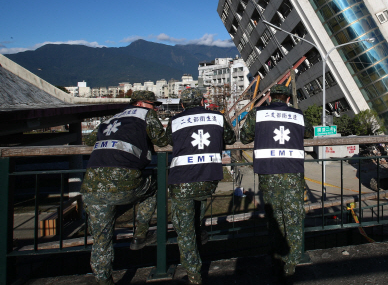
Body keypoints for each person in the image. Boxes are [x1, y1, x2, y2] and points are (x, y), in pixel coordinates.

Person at [81, 90, 169, 285]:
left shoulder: (112, 117)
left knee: (101, 238)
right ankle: (140, 235)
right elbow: (162, 141)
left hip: (92, 184)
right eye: (152, 104)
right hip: (125, 180)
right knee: (154, 187)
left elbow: (89, 141)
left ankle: (104, 280)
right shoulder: (146, 115)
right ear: (140, 104)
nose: (155, 108)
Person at [165, 88, 236, 285]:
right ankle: (200, 231)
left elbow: (166, 141)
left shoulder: (175, 120)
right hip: (209, 180)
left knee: (184, 230)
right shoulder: (217, 117)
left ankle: (194, 275)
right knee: (197, 210)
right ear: (203, 102)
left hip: (181, 181)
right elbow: (230, 139)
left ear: (181, 105)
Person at [240, 84, 309, 280]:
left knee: (275, 218)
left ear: (270, 98)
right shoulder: (298, 114)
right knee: (294, 218)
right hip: (293, 173)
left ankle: (277, 258)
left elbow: (245, 137)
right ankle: (292, 263)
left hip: (268, 172)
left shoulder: (258, 114)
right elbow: (309, 133)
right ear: (288, 99)